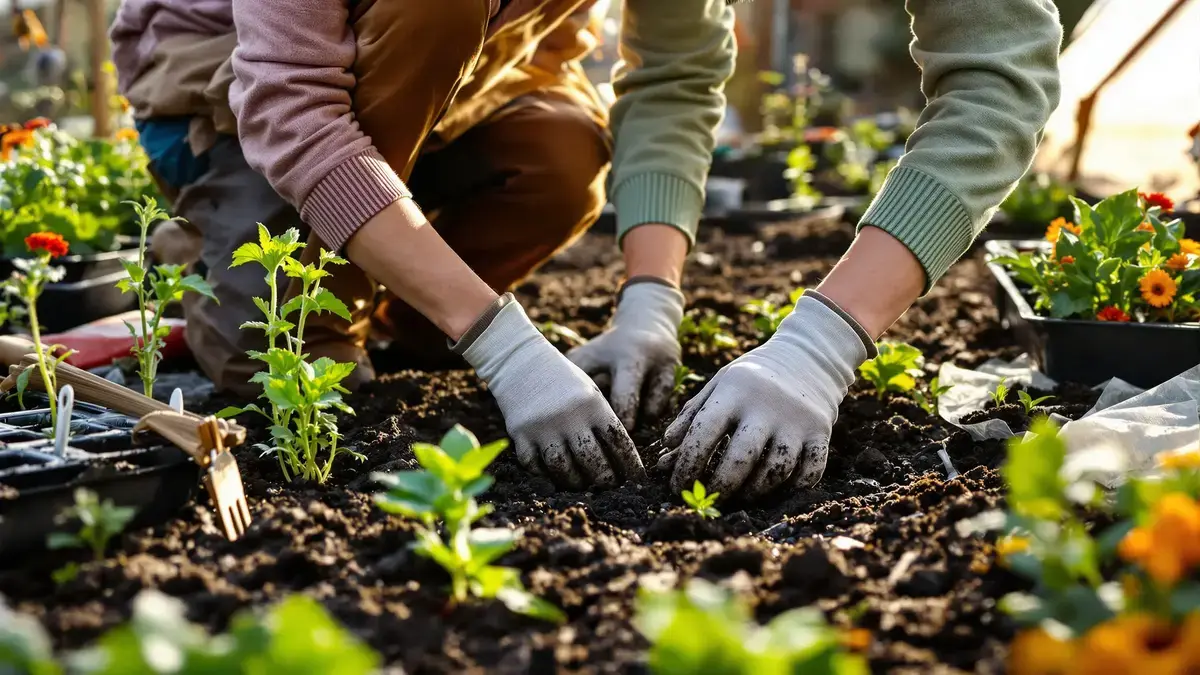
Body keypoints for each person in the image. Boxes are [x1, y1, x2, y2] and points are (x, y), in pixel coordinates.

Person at [111, 0, 1061, 500]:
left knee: (566, 155)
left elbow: (681, 66)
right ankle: (239, 241)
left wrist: (677, 305)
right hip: (225, 93)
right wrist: (499, 340)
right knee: (267, 363)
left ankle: (389, 285)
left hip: (461, 87)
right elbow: (291, 104)